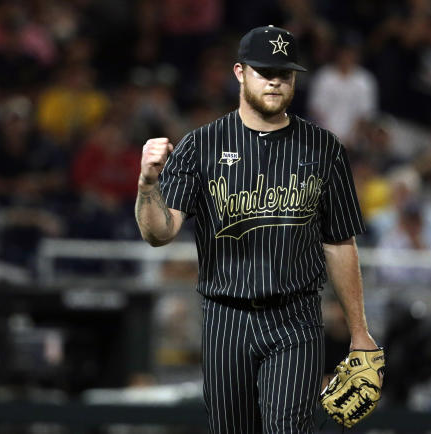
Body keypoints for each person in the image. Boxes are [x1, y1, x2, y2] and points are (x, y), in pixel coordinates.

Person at [135, 25, 379, 433]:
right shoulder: (201, 145)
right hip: (225, 318)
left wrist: (360, 334)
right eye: (264, 70)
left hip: (296, 317)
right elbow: (160, 233)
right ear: (239, 72)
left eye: (284, 73)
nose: (274, 81)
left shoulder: (324, 148)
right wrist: (146, 187)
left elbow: (340, 243)